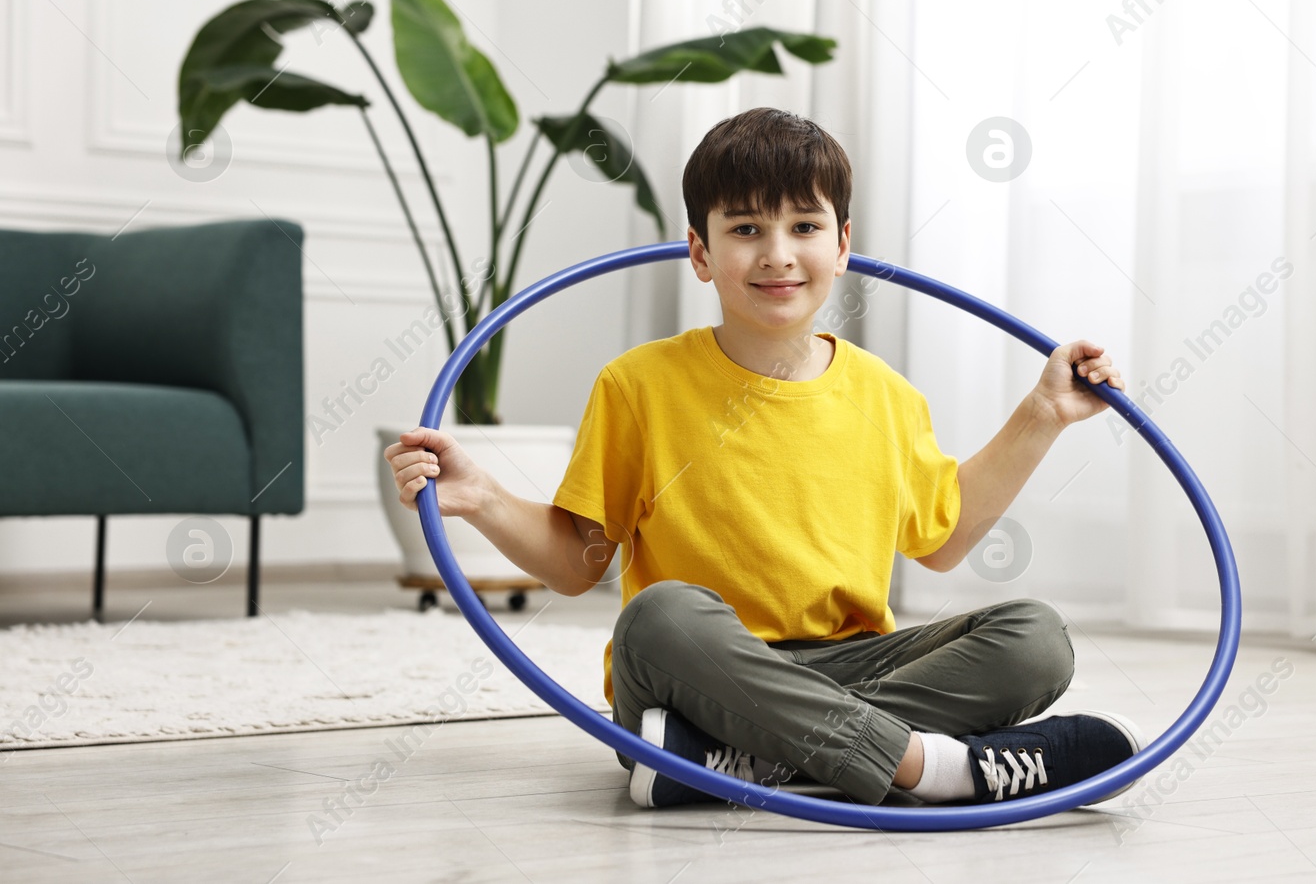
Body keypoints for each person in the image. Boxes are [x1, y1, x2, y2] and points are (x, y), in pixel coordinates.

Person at [385, 107, 1141, 809]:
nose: (777, 254)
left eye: (804, 225)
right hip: (697, 671)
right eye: (745, 228)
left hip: (852, 666)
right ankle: (932, 769)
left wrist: (1044, 414)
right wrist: (482, 495)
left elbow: (942, 541)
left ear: (842, 245)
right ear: (700, 251)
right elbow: (580, 563)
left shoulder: (887, 394)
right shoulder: (637, 385)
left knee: (1035, 638)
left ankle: (735, 761)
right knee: (658, 614)